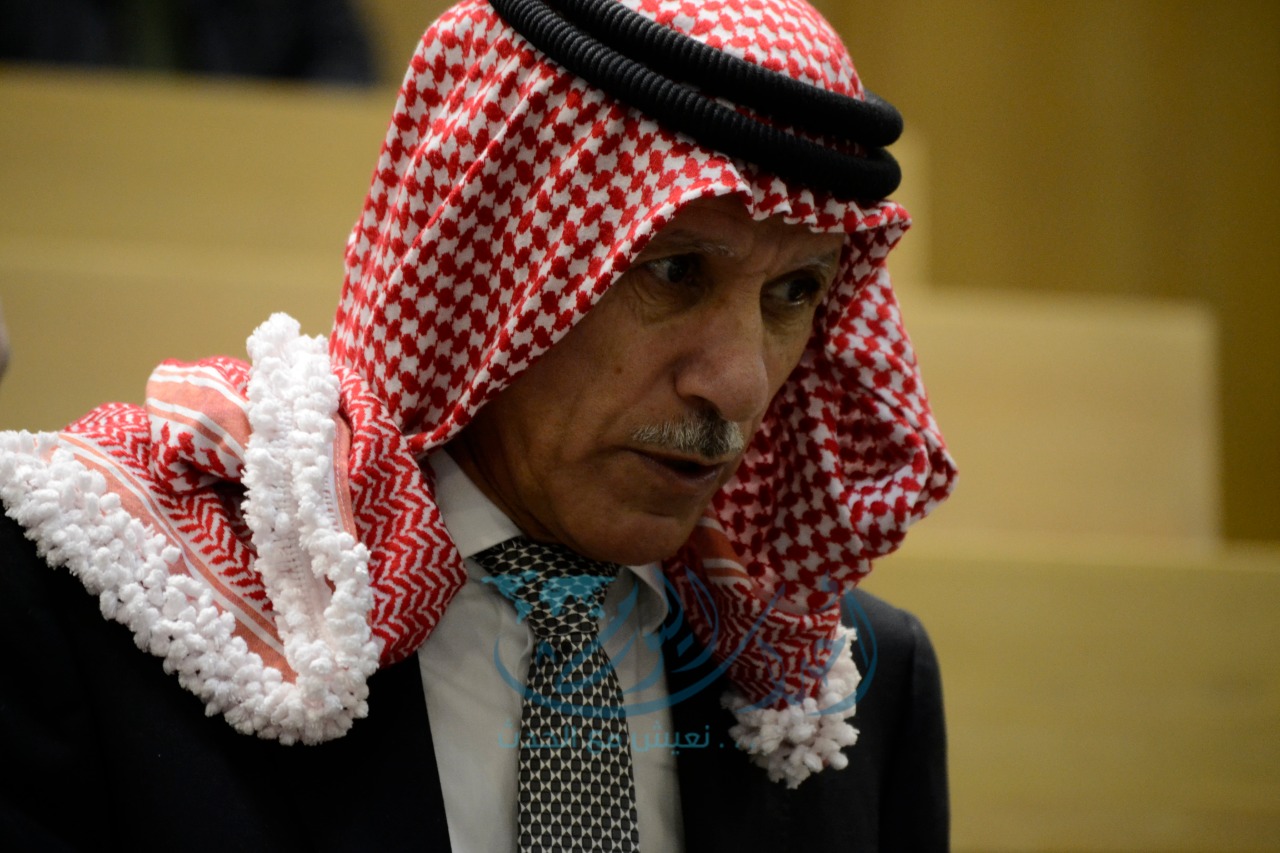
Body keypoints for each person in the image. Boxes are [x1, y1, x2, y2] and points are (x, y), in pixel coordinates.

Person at [0, 0, 957, 850]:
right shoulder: (122, 603)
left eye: (794, 293)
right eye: (673, 272)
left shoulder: (854, 694)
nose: (739, 385)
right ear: (498, 264)